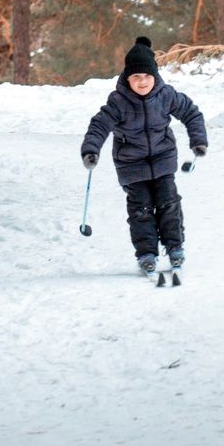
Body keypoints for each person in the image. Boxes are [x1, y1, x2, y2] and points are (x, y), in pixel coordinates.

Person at [81, 36, 207, 274]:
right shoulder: (118, 102)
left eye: (147, 76)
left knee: (169, 202)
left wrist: (198, 141)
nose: (142, 81)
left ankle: (174, 247)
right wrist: (91, 150)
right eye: (136, 77)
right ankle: (147, 253)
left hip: (163, 158)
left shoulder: (166, 95)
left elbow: (191, 113)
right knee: (141, 209)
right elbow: (99, 126)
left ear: (155, 76)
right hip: (131, 165)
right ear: (127, 77)